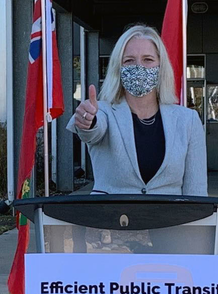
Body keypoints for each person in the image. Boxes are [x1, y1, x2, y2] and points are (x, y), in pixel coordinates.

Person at [69, 24, 207, 195]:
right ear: (117, 67)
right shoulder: (103, 111)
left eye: (148, 60)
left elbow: (196, 191)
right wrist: (87, 121)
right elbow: (92, 130)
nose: (139, 67)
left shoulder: (188, 120)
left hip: (170, 220)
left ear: (161, 66)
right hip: (110, 218)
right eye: (129, 60)